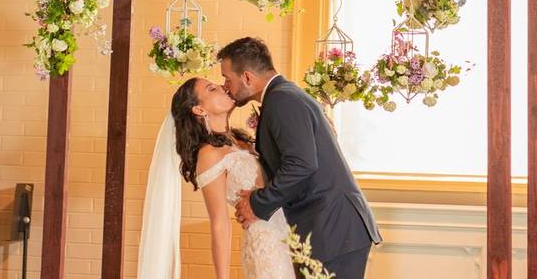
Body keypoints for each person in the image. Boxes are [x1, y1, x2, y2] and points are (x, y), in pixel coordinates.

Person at [221, 37, 382, 279]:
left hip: (333, 229)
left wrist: (257, 203)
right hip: (327, 228)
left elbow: (301, 164)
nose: (225, 86)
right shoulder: (284, 95)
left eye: (228, 79)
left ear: (247, 77)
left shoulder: (282, 100)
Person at [138, 75, 296, 279]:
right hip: (268, 243)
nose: (223, 87)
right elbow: (219, 222)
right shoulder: (209, 154)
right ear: (199, 109)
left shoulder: (241, 140)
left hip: (293, 234)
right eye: (212, 89)